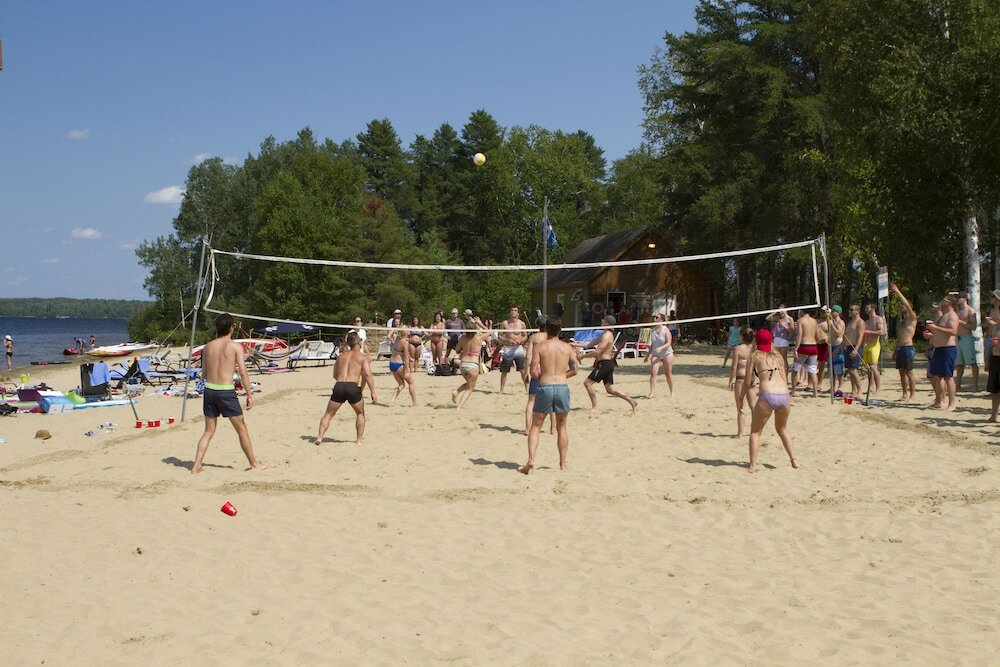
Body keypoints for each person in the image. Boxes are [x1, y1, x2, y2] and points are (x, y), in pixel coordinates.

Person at [191, 313, 267, 474]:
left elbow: (204, 374)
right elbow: (243, 373)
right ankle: (254, 463)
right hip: (225, 392)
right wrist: (249, 394)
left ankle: (196, 465)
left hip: (209, 390)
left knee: (208, 431)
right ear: (232, 327)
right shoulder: (234, 346)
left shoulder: (208, 347)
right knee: (242, 429)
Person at [519, 317, 579, 474]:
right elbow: (575, 369)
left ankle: (531, 459)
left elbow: (533, 370)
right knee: (562, 427)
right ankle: (562, 464)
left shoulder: (540, 346)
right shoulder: (567, 348)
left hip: (545, 386)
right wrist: (562, 376)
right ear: (560, 329)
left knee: (536, 426)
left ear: (546, 330)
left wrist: (542, 378)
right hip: (561, 386)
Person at [740, 329, 799, 473]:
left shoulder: (755, 356)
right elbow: (785, 379)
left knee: (755, 432)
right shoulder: (778, 356)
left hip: (768, 395)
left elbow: (747, 382)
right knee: (782, 429)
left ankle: (753, 465)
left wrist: (740, 398)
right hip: (784, 395)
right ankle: (794, 460)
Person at [314, 332, 378, 445]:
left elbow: (335, 375)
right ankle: (359, 440)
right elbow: (367, 374)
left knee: (328, 414)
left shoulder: (341, 356)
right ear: (359, 342)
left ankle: (319, 437)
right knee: (360, 413)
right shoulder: (363, 357)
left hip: (339, 385)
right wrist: (373, 391)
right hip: (352, 386)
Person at [580, 315, 637, 412]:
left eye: (603, 320)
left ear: (606, 323)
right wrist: (572, 344)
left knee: (587, 383)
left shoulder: (607, 336)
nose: (601, 321)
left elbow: (597, 352)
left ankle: (595, 407)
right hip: (605, 364)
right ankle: (631, 400)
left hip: (604, 364)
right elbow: (588, 345)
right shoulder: (603, 334)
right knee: (610, 389)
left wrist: (582, 356)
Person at [925, 293, 959, 411]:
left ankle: (952, 403)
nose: (941, 303)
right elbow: (938, 332)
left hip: (947, 349)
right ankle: (938, 401)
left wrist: (936, 328)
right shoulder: (942, 316)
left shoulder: (952, 316)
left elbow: (953, 331)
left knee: (948, 376)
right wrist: (931, 335)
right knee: (937, 376)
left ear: (948, 303)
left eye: (943, 300)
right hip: (938, 348)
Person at [451, 316, 491, 410]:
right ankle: (459, 406)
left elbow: (457, 350)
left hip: (463, 364)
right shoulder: (479, 338)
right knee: (470, 388)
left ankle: (456, 392)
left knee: (468, 384)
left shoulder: (463, 338)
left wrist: (463, 349)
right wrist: (480, 323)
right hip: (473, 365)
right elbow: (490, 331)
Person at [524, 314, 555, 435]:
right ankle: (553, 429)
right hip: (549, 369)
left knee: (531, 400)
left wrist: (526, 371)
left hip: (536, 369)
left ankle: (527, 428)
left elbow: (528, 356)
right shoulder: (551, 337)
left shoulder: (534, 338)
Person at [889, 284, 918, 403]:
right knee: (901, 372)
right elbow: (899, 337)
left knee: (909, 372)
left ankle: (912, 395)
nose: (901, 307)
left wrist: (897, 291)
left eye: (903, 306)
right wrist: (895, 350)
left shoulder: (912, 318)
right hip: (900, 348)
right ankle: (904, 394)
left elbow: (906, 303)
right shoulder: (902, 322)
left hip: (908, 348)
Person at [728, 327, 757, 438]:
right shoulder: (754, 349)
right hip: (752, 377)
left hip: (741, 377)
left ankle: (740, 433)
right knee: (753, 406)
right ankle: (755, 431)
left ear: (741, 336)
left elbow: (734, 367)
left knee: (740, 407)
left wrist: (730, 380)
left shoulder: (738, 349)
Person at [497, 305, 529, 394]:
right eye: (512, 310)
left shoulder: (522, 324)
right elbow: (499, 336)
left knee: (522, 370)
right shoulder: (505, 323)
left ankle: (527, 388)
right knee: (504, 370)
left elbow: (525, 336)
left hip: (518, 348)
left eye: (515, 310)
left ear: (518, 313)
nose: (513, 311)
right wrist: (507, 340)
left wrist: (520, 340)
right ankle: (501, 390)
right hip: (508, 348)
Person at [790, 309, 820, 398]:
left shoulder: (800, 321)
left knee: (795, 370)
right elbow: (817, 335)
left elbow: (799, 335)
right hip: (813, 346)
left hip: (804, 346)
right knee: (812, 371)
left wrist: (796, 348)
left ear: (802, 312)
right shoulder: (814, 321)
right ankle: (815, 392)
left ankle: (793, 390)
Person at [954, 291, 980, 391]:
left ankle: (975, 385)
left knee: (972, 363)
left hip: (967, 338)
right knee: (959, 363)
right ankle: (958, 385)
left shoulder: (970, 311)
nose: (958, 299)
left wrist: (960, 322)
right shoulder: (957, 310)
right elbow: (949, 296)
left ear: (965, 298)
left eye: (960, 297)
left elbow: (974, 327)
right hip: (958, 338)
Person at [387, 327, 416, 407]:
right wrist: (407, 369)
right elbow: (405, 358)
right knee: (411, 382)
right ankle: (414, 403)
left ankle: (391, 401)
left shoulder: (397, 338)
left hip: (392, 364)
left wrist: (394, 329)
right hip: (399, 365)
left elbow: (389, 336)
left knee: (401, 385)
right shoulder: (405, 343)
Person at [862, 302, 886, 396]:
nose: (866, 310)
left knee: (874, 367)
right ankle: (870, 387)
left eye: (867, 308)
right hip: (867, 344)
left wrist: (868, 331)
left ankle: (878, 388)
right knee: (868, 368)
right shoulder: (867, 321)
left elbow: (881, 332)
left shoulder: (878, 319)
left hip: (875, 344)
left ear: (872, 308)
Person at [647, 313, 674, 398]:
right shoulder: (653, 331)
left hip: (667, 353)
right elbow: (652, 345)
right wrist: (647, 355)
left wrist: (661, 348)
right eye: (654, 317)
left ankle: (672, 391)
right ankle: (652, 392)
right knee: (653, 373)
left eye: (657, 317)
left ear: (661, 320)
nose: (655, 319)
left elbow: (669, 343)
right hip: (656, 354)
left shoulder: (665, 330)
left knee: (668, 373)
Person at [984, 290, 1000, 421]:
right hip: (995, 358)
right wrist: (987, 360)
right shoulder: (995, 327)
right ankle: (994, 414)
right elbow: (991, 345)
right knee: (994, 390)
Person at [844, 304, 865, 400]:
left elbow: (861, 336)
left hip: (855, 347)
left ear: (857, 311)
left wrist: (856, 349)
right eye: (849, 309)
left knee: (853, 369)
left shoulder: (860, 322)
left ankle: (860, 390)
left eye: (851, 309)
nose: (850, 311)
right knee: (850, 369)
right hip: (848, 347)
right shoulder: (850, 322)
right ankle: (853, 391)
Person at [766, 306, 795, 372]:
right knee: (777, 357)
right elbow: (767, 318)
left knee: (783, 358)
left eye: (782, 310)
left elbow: (792, 332)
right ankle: (779, 374)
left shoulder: (790, 319)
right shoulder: (778, 318)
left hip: (784, 339)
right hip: (776, 339)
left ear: (786, 310)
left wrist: (786, 327)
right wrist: (775, 312)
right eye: (779, 310)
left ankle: (785, 376)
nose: (781, 312)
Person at [828, 305, 846, 393]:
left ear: (838, 312)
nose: (832, 312)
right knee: (831, 368)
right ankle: (833, 386)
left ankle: (840, 386)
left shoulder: (841, 322)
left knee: (838, 368)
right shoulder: (832, 321)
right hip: (831, 345)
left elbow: (839, 333)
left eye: (834, 311)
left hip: (838, 346)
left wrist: (832, 324)